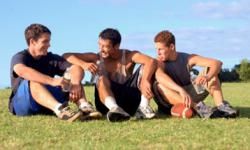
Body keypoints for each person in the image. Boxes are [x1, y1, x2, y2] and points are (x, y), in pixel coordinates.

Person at [9, 23, 101, 122]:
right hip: (24, 103)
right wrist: (52, 80)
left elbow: (76, 68)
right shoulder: (20, 57)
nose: (49, 45)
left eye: (49, 41)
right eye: (45, 41)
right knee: (33, 81)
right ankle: (60, 110)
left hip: (46, 104)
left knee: (71, 79)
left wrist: (75, 83)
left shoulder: (51, 58)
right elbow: (21, 70)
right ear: (32, 42)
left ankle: (84, 107)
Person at [63, 28, 157, 122]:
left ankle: (143, 108)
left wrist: (145, 80)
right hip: (106, 106)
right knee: (101, 79)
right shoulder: (96, 58)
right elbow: (66, 56)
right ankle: (115, 109)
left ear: (117, 46)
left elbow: (151, 61)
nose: (101, 49)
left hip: (129, 102)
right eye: (99, 44)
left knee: (147, 67)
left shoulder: (129, 55)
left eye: (105, 46)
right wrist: (83, 64)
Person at [152, 30, 238, 118]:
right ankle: (198, 108)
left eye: (160, 49)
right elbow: (160, 76)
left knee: (210, 71)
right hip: (168, 102)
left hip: (188, 95)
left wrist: (207, 77)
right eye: (156, 49)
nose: (157, 53)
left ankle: (222, 107)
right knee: (158, 85)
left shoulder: (187, 58)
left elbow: (217, 63)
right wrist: (180, 90)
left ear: (171, 46)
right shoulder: (158, 61)